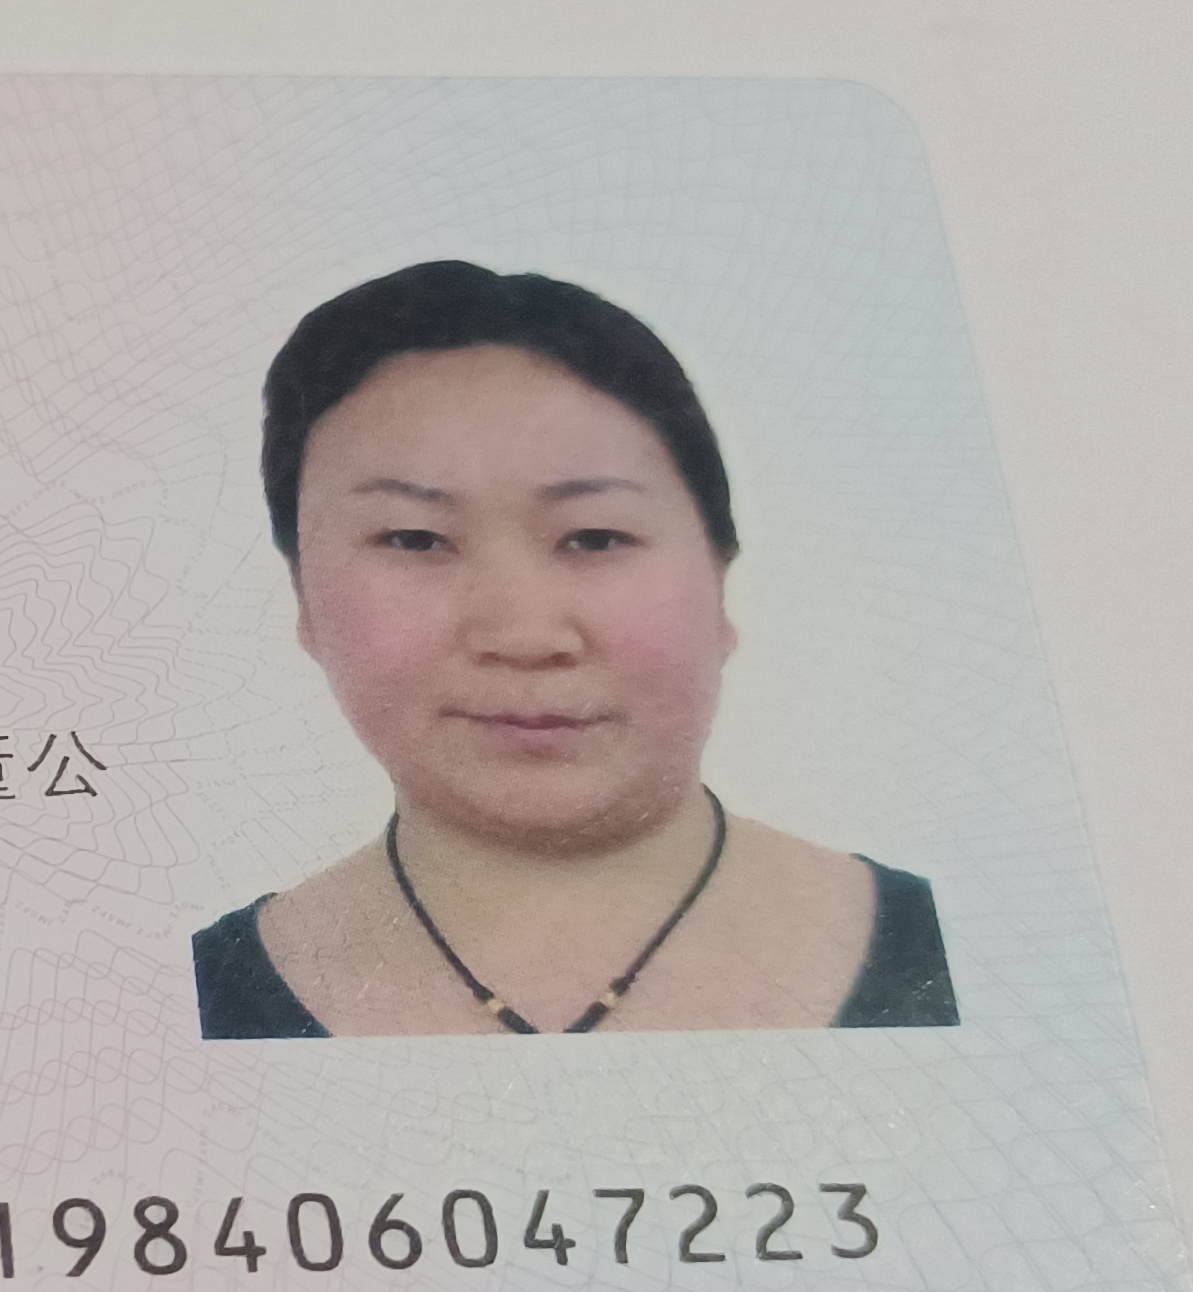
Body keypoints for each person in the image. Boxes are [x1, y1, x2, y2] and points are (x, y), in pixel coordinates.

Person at [193, 261, 956, 1038]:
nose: (524, 636)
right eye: (416, 539)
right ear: (303, 596)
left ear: (719, 577)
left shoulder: (961, 951)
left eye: (594, 537)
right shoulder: (191, 999)